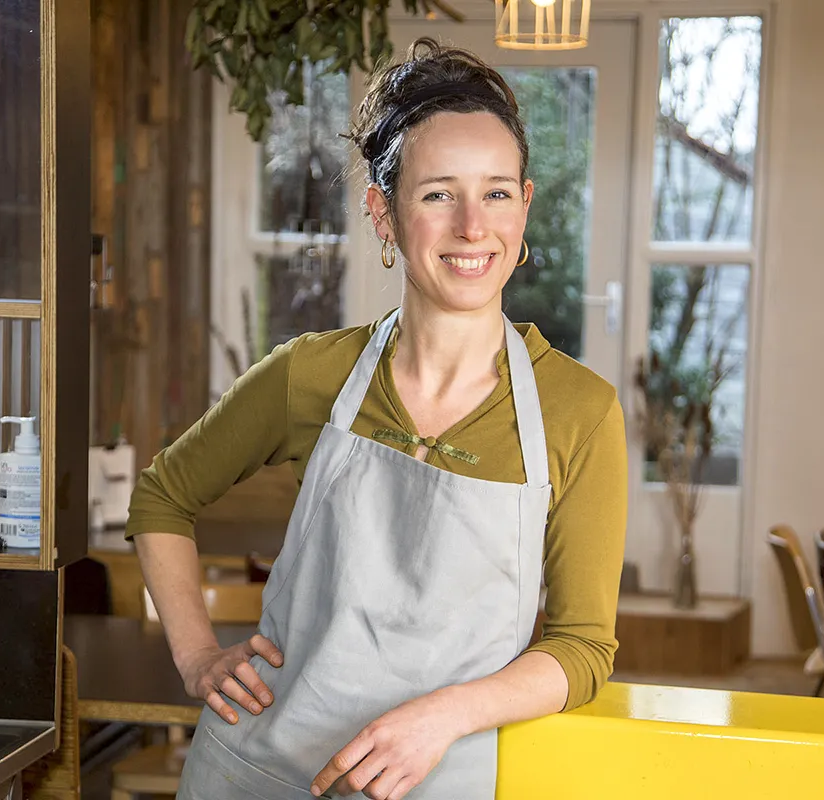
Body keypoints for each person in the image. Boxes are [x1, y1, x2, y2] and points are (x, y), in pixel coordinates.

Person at [126, 37, 627, 800]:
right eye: (437, 194)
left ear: (524, 207)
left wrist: (442, 716)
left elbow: (584, 649)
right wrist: (197, 655)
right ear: (383, 213)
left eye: (496, 193)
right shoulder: (311, 374)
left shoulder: (579, 411)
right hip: (255, 770)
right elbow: (161, 496)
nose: (471, 226)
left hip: (435, 778)